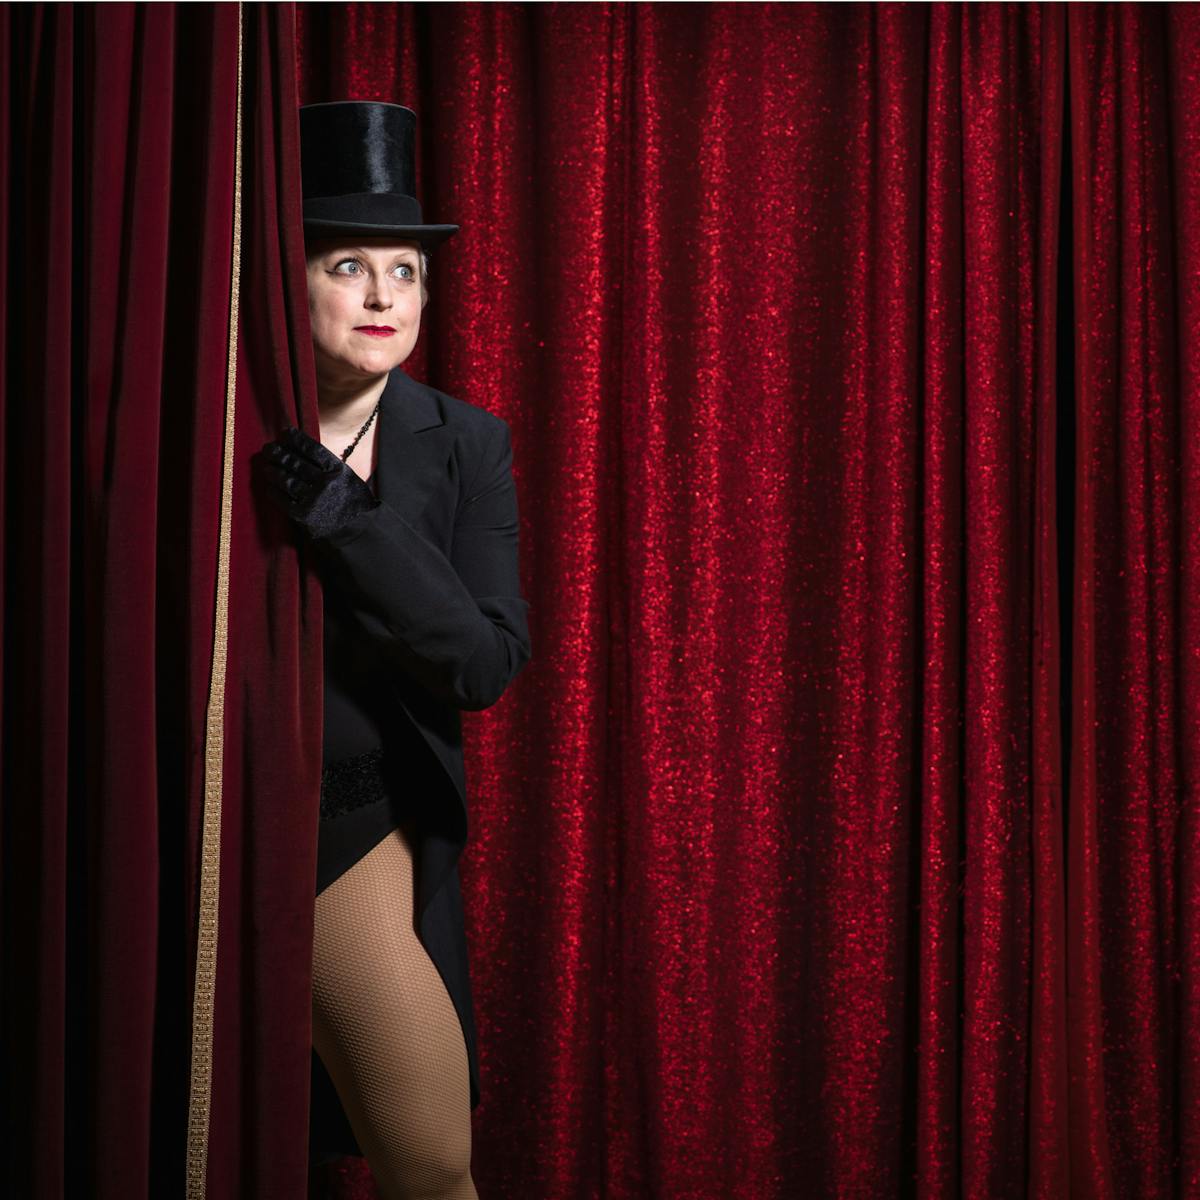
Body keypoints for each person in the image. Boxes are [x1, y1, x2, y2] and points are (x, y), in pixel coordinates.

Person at [256, 101, 532, 1200]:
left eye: (406, 271)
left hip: (351, 824)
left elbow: (481, 661)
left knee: (431, 1167)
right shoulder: (215, 427)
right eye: (349, 264)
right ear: (293, 279)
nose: (383, 298)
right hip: (192, 820)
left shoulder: (465, 443)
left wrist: (346, 520)